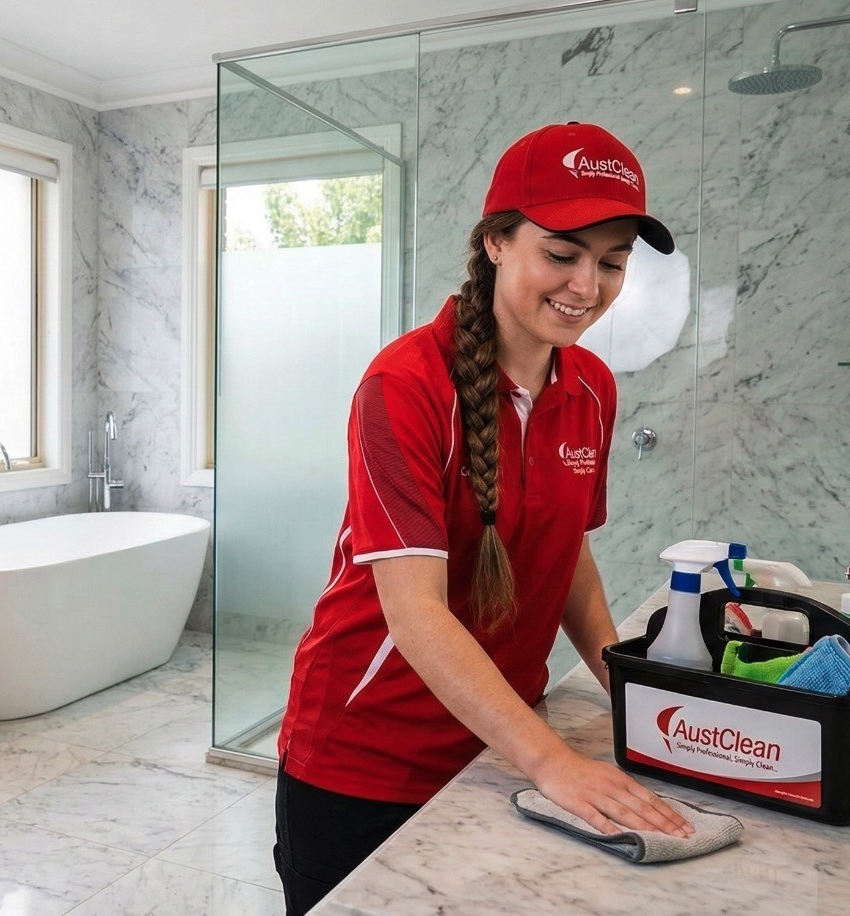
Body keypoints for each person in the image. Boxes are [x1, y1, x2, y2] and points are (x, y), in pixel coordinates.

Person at [273, 122, 691, 915]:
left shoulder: (593, 386)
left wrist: (628, 691)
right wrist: (551, 761)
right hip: (368, 760)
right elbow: (414, 612)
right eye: (561, 254)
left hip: (500, 741)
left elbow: (566, 557)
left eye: (612, 263)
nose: (587, 286)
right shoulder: (405, 386)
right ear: (496, 242)